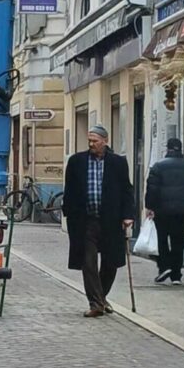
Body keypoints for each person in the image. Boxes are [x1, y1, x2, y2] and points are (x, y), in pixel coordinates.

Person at [62, 125, 136, 317]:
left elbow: (127, 190)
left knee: (111, 262)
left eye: (95, 141)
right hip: (85, 221)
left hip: (111, 220)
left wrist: (128, 215)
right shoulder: (77, 161)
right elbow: (69, 189)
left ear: (105, 141)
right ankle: (96, 303)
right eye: (90, 141)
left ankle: (101, 298)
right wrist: (68, 212)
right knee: (88, 261)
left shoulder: (118, 163)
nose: (92, 144)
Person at [144, 138, 184, 284]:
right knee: (178, 242)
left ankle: (164, 266)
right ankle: (176, 274)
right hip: (181, 213)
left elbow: (152, 189)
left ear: (167, 148)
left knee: (162, 239)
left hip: (162, 211)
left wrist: (149, 207)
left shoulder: (158, 167)